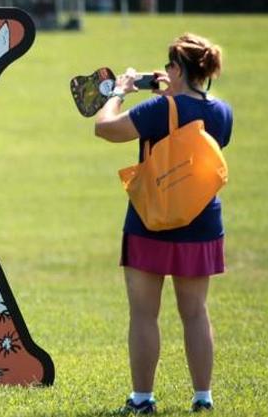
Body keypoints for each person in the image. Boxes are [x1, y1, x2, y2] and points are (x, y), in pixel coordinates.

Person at [93, 33, 231, 414]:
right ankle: (203, 398)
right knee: (195, 312)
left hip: (150, 219)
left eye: (170, 65)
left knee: (143, 313)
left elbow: (105, 128)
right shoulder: (223, 112)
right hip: (201, 222)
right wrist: (170, 90)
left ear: (178, 68)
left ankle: (142, 400)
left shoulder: (156, 110)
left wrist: (119, 91)